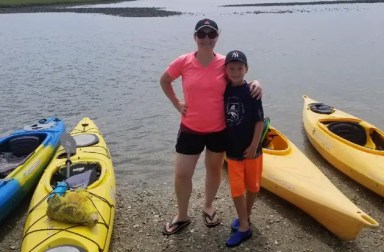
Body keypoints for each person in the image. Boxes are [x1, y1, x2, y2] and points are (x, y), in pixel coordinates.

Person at [160, 18, 263, 236]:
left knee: (213, 170)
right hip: (190, 128)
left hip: (218, 129)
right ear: (195, 37)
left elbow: (239, 77)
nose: (206, 38)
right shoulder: (183, 61)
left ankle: (208, 206)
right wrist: (177, 103)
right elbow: (164, 80)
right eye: (202, 34)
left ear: (217, 37)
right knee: (181, 174)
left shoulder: (224, 63)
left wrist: (256, 83)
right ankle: (182, 215)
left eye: (211, 34)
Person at [223, 50, 264, 247]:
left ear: (246, 69)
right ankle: (244, 228)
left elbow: (259, 122)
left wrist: (254, 145)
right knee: (237, 189)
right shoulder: (224, 90)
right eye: (231, 68)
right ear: (226, 69)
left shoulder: (252, 92)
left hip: (252, 150)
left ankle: (245, 216)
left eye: (240, 68)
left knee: (253, 186)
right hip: (232, 150)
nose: (236, 71)